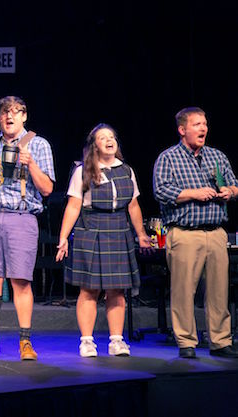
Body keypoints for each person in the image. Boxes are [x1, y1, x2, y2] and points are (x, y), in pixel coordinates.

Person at [0, 95, 55, 361]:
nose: (9, 116)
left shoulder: (39, 145)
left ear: (24, 116)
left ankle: (25, 342)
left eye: (15, 112)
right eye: (5, 112)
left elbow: (48, 189)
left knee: (20, 281)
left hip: (22, 217)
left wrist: (31, 164)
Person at [55, 123, 151, 357]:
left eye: (112, 137)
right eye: (102, 137)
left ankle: (116, 341)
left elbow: (134, 205)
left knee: (116, 290)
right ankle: (87, 341)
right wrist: (63, 237)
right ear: (94, 146)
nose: (109, 140)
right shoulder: (84, 171)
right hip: (92, 230)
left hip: (119, 230)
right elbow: (73, 205)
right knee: (89, 290)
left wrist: (141, 234)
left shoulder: (126, 170)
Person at [153, 107, 238, 359]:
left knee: (219, 291)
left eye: (205, 124)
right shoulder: (168, 158)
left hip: (216, 232)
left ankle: (220, 341)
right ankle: (186, 341)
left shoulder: (217, 156)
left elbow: (234, 184)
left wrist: (229, 192)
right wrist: (195, 193)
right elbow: (161, 191)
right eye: (197, 124)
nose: (203, 128)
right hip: (185, 232)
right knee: (183, 290)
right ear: (182, 130)